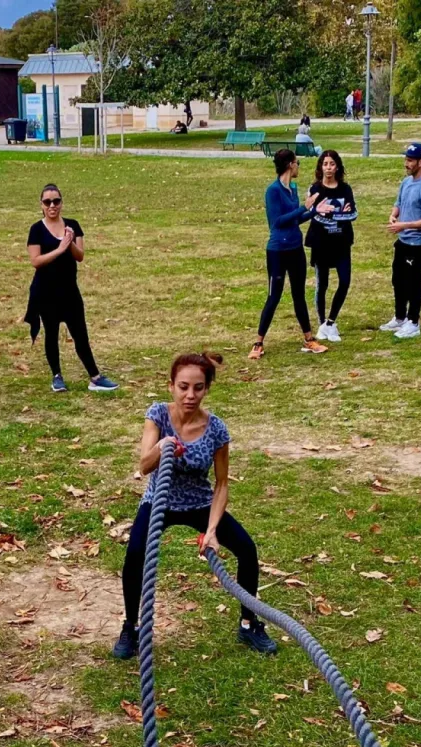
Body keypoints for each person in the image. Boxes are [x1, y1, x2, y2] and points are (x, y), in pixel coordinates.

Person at [112, 352, 278, 661]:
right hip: (160, 500)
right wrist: (162, 446)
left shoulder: (216, 429)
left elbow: (222, 484)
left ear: (207, 389)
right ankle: (130, 627)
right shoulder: (158, 415)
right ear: (171, 386)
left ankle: (248, 623)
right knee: (135, 555)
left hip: (200, 502)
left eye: (198, 388)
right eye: (183, 386)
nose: (190, 395)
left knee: (246, 548)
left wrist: (212, 530)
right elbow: (144, 465)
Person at [24, 184, 118, 393]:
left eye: (56, 201)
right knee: (51, 333)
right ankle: (56, 376)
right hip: (46, 292)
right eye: (47, 202)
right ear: (41, 205)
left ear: (61, 203)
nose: (52, 205)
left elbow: (80, 256)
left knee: (80, 333)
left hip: (69, 292)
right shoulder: (36, 229)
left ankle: (95, 377)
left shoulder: (72, 226)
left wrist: (69, 242)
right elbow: (36, 261)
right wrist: (59, 249)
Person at [250, 149, 334, 361]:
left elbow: (295, 220)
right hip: (278, 251)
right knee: (274, 296)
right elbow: (277, 221)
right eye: (297, 163)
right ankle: (258, 343)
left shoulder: (292, 189)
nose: (298, 166)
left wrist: (315, 211)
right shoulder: (273, 191)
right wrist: (302, 207)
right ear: (289, 165)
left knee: (299, 296)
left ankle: (309, 339)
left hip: (296, 249)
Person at [381, 142, 421, 340]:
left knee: (413, 282)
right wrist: (393, 215)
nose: (406, 163)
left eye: (410, 160)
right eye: (405, 159)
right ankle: (399, 317)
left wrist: (404, 225)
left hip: (418, 244)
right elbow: (398, 203)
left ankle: (413, 322)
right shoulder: (406, 182)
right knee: (398, 280)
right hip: (403, 241)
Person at [306, 149, 357, 342]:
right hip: (321, 243)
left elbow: (353, 214)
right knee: (323, 283)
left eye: (332, 164)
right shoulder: (315, 189)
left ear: (337, 167)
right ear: (320, 167)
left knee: (344, 281)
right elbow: (314, 215)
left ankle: (330, 322)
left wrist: (331, 215)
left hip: (342, 243)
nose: (328, 168)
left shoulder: (346, 189)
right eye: (325, 164)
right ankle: (321, 324)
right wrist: (338, 215)